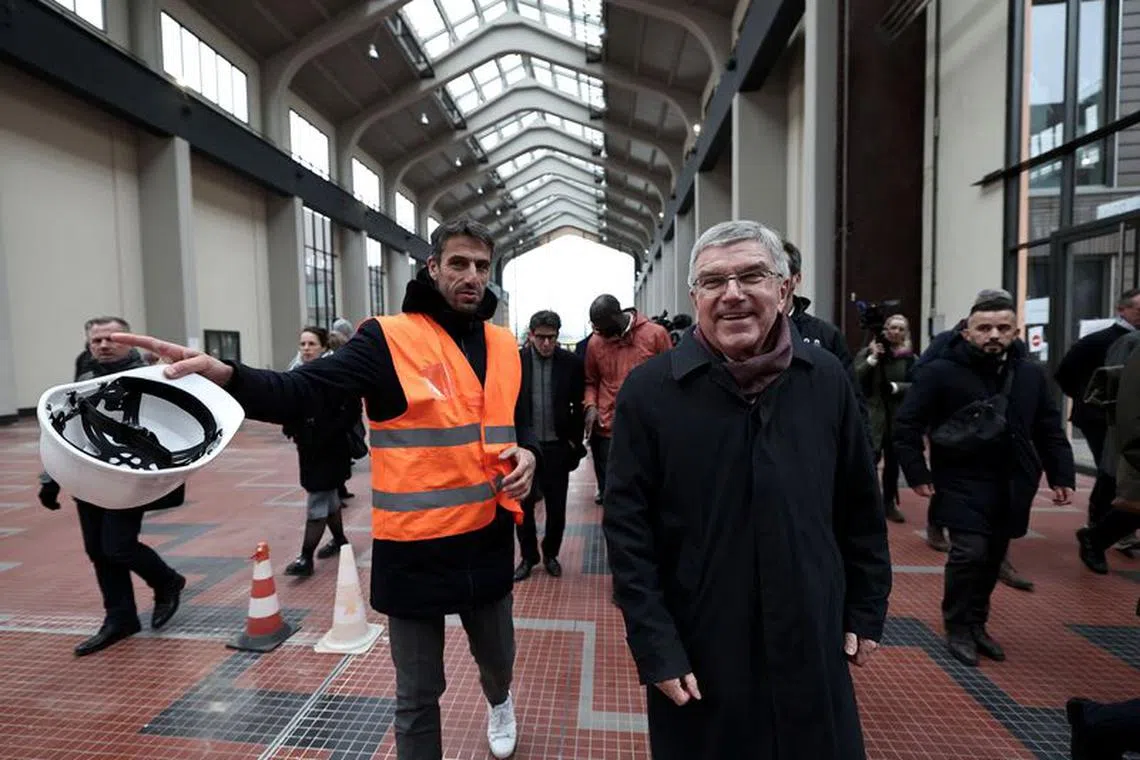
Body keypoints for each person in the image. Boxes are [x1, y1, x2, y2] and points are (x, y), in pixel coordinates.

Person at [114, 218, 538, 760]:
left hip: (486, 538)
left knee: (497, 659)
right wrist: (229, 376)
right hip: (413, 549)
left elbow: (516, 424)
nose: (471, 276)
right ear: (433, 269)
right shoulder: (387, 339)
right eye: (458, 263)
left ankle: (499, 701)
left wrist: (530, 452)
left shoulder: (505, 345)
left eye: (481, 266)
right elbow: (302, 390)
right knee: (415, 695)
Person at [603, 220, 892, 759]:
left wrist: (866, 605)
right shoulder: (651, 392)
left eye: (752, 275)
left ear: (784, 289)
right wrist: (656, 646)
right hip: (703, 648)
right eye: (714, 282)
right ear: (696, 296)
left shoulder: (824, 377)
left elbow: (858, 503)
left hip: (810, 631)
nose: (732, 294)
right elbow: (628, 534)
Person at [893, 295, 1075, 666]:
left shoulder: (1029, 375)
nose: (994, 335)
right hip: (961, 478)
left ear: (1015, 331)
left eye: (1003, 328)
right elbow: (907, 424)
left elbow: (1048, 427)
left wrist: (1062, 474)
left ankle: (978, 624)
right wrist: (916, 472)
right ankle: (957, 625)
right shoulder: (940, 371)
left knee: (993, 555)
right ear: (967, 331)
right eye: (985, 328)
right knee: (969, 552)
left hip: (1013, 481)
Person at [39, 316, 186, 656]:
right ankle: (120, 618)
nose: (102, 345)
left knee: (117, 545)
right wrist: (50, 478)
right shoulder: (85, 376)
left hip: (129, 479)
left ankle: (166, 580)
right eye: (96, 341)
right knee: (97, 549)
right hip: (87, 477)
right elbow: (64, 431)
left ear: (130, 341)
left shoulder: (151, 376)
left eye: (110, 338)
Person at [514, 310, 587, 581]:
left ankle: (551, 554)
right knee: (523, 507)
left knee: (557, 508)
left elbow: (579, 406)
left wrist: (574, 442)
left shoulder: (571, 363)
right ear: (531, 335)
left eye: (552, 338)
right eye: (541, 338)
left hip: (558, 447)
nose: (546, 344)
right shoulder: (516, 362)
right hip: (525, 448)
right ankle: (528, 556)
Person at [1056, 289, 1140, 525]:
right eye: (1138, 310)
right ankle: (1099, 524)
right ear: (1122, 310)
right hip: (1100, 418)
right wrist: (1087, 398)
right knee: (1110, 471)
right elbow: (1064, 373)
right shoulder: (1097, 341)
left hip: (1129, 419)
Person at [280, 326, 358, 577]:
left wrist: (327, 430)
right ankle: (340, 541)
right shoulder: (296, 372)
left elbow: (352, 409)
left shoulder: (335, 373)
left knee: (317, 499)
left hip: (330, 447)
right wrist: (291, 427)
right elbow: (289, 406)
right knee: (330, 498)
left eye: (311, 344)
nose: (306, 349)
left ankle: (306, 557)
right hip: (309, 447)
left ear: (324, 346)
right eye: (302, 344)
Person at [583, 294, 671, 503]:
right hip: (606, 428)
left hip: (646, 427)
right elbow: (590, 382)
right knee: (610, 492)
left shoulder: (655, 335)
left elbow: (671, 379)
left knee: (646, 490)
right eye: (595, 328)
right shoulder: (596, 343)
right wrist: (591, 406)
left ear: (617, 316)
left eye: (602, 328)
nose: (599, 333)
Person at [854, 313, 915, 523]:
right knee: (870, 460)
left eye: (900, 328)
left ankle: (889, 503)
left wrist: (897, 387)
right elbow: (853, 377)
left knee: (893, 464)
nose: (895, 332)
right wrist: (872, 360)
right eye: (892, 327)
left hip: (897, 416)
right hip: (874, 416)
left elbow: (918, 384)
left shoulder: (910, 358)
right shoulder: (869, 353)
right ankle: (866, 503)